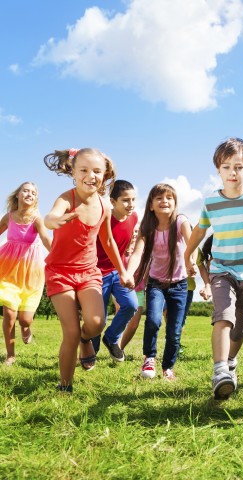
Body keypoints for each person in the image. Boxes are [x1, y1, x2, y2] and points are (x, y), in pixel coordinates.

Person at [185, 137, 243, 400]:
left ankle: (230, 362)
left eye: (238, 167)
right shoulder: (211, 202)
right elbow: (199, 230)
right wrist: (187, 253)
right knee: (223, 316)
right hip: (221, 269)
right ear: (218, 170)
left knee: (241, 327)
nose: (232, 173)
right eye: (226, 167)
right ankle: (219, 372)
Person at [43, 148, 133, 392]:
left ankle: (86, 339)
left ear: (105, 175)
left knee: (96, 323)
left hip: (88, 273)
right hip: (60, 272)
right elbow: (51, 217)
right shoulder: (66, 199)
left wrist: (123, 271)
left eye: (97, 171)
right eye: (83, 170)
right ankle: (65, 386)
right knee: (70, 332)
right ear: (72, 172)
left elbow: (108, 242)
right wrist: (53, 220)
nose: (90, 175)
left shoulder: (105, 206)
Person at [126, 183, 191, 381]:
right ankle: (149, 358)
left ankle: (168, 367)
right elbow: (138, 252)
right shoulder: (148, 227)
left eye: (169, 198)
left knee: (174, 330)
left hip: (179, 285)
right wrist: (129, 272)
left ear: (175, 203)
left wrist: (192, 262)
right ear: (151, 205)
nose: (165, 201)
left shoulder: (180, 222)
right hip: (156, 283)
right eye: (159, 198)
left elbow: (192, 244)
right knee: (153, 320)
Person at [0, 182, 52, 365]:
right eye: (26, 190)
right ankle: (10, 355)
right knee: (9, 312)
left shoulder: (37, 218)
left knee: (24, 319)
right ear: (18, 195)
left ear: (36, 198)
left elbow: (46, 238)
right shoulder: (9, 217)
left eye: (33, 192)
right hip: (8, 269)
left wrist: (56, 255)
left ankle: (26, 327)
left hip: (31, 272)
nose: (29, 194)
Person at [91, 180, 138, 361]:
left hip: (117, 272)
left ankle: (111, 339)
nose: (131, 204)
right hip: (97, 273)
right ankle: (91, 353)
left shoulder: (134, 218)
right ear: (113, 201)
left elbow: (124, 245)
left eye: (133, 199)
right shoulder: (104, 218)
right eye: (126, 200)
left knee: (131, 305)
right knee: (98, 318)